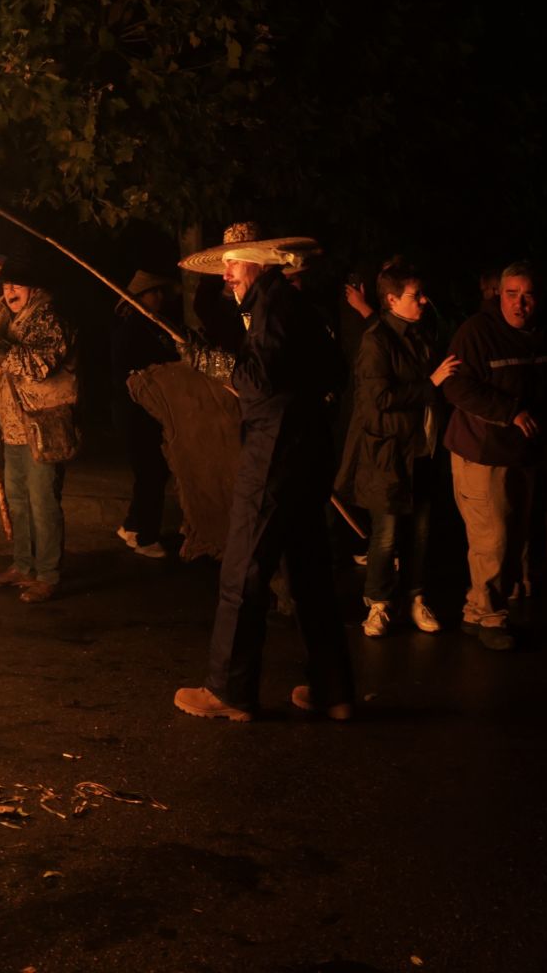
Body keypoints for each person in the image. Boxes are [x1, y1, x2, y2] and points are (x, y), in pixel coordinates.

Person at [173, 223, 355, 722]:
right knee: (310, 573)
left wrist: (209, 362)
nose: (227, 273)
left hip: (274, 453)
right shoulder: (297, 307)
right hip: (308, 452)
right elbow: (334, 373)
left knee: (244, 568)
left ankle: (229, 691)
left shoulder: (275, 307)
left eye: (233, 262)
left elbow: (255, 381)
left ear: (260, 262)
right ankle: (333, 690)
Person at [441, 262, 547, 650]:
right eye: (511, 293)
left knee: (513, 534)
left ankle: (476, 609)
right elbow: (456, 386)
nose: (520, 303)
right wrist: (509, 410)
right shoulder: (477, 334)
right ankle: (492, 618)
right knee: (492, 537)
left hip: (523, 453)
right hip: (481, 452)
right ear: (498, 294)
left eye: (527, 294)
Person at [337, 258, 460, 637]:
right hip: (388, 455)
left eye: (422, 294)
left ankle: (416, 596)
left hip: (421, 450)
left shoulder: (423, 335)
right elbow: (379, 400)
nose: (423, 301)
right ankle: (377, 603)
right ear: (391, 300)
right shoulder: (377, 341)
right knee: (386, 533)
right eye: (415, 295)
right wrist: (432, 384)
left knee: (421, 530)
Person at [0, 259, 77, 604]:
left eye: (17, 286)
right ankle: (23, 565)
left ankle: (47, 575)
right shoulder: (7, 321)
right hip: (11, 427)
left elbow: (36, 366)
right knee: (19, 501)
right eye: (6, 287)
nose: (9, 292)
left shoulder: (50, 321)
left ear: (34, 290)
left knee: (43, 503)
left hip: (42, 425)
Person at [111, 271, 182, 558]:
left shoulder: (152, 325)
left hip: (145, 409)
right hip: (137, 409)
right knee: (151, 470)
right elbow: (131, 371)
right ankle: (145, 536)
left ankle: (133, 525)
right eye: (154, 292)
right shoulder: (133, 328)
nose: (160, 297)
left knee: (149, 471)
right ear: (141, 297)